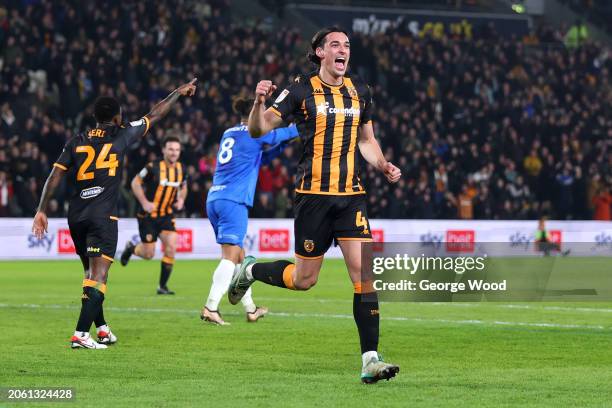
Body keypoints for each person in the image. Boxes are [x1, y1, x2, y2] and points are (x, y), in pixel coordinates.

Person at [228, 27, 401, 383]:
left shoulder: (361, 92)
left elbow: (367, 140)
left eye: (347, 46)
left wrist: (382, 164)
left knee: (365, 276)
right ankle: (249, 270)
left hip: (351, 195)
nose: (343, 50)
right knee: (304, 280)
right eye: (335, 45)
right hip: (313, 198)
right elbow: (259, 130)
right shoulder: (299, 90)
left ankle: (370, 359)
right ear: (320, 52)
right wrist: (259, 102)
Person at [31, 78, 197, 349]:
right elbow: (155, 114)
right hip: (103, 216)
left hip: (77, 216)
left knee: (90, 274)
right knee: (99, 277)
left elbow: (54, 176)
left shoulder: (76, 141)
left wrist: (41, 209)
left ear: (95, 117)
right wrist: (177, 92)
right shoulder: (122, 135)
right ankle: (81, 335)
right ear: (118, 117)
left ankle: (103, 329)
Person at [202, 96, 298, 325]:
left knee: (239, 258)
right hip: (233, 200)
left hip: (215, 198)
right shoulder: (255, 132)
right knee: (229, 256)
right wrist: (299, 127)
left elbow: (259, 158)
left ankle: (251, 309)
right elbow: (284, 133)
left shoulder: (229, 133)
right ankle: (211, 307)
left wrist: (282, 145)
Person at [119, 135, 188, 295]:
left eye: (177, 150)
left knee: (171, 247)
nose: (174, 153)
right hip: (148, 216)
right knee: (148, 254)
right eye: (170, 149)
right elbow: (135, 182)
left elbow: (184, 186)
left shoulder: (181, 169)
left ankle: (162, 287)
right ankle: (131, 249)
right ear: (164, 150)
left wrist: (181, 199)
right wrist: (144, 202)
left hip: (166, 215)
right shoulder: (152, 167)